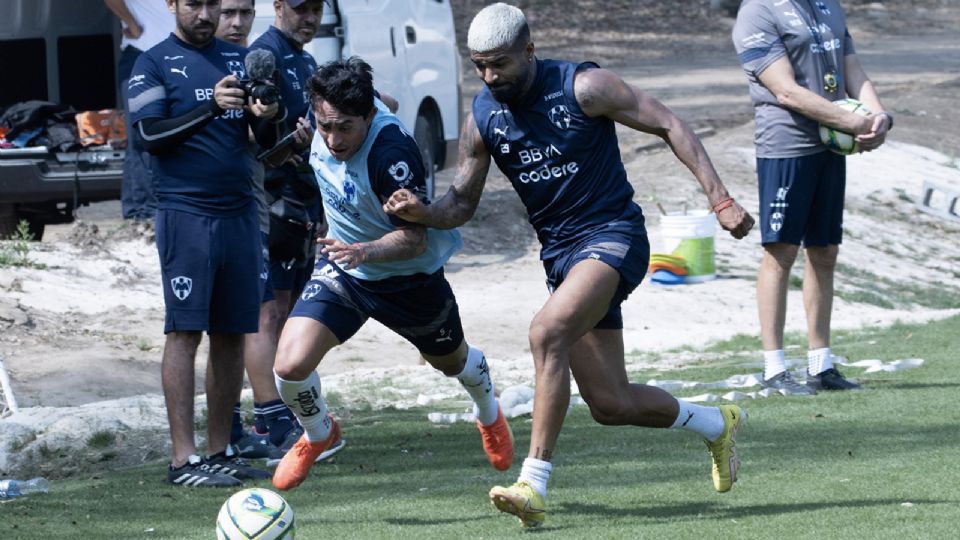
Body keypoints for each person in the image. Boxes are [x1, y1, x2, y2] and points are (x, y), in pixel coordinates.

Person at [384, 3, 755, 528]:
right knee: (611, 404)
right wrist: (422, 212)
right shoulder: (484, 116)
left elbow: (669, 122)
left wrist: (720, 200)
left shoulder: (584, 86)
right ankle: (717, 423)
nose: (490, 77)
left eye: (500, 64)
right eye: (480, 66)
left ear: (529, 51)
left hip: (613, 238)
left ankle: (532, 485)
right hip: (561, 257)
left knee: (545, 332)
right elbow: (462, 202)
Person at [269, 57, 515, 492]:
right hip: (345, 268)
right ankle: (319, 433)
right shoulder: (331, 114)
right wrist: (353, 254)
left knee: (453, 363)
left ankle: (489, 412)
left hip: (406, 277)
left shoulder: (392, 156)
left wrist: (363, 251)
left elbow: (415, 239)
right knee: (289, 366)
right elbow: (387, 99)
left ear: (367, 117)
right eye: (325, 125)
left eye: (345, 127)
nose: (332, 138)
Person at [128, 0, 285, 487]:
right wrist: (209, 106)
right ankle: (183, 460)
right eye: (192, 3)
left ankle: (219, 450)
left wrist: (267, 115)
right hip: (186, 215)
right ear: (171, 4)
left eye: (211, 5)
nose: (205, 14)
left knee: (232, 333)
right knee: (184, 333)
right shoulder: (151, 62)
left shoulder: (239, 60)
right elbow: (149, 134)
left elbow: (258, 139)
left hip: (239, 212)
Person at [732, 0, 891, 394]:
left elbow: (851, 67)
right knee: (781, 252)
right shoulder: (757, 11)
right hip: (786, 147)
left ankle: (821, 365)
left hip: (830, 147)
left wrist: (878, 116)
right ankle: (775, 368)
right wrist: (854, 123)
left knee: (824, 251)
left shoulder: (828, 5)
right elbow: (785, 91)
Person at [214, 0, 297, 465]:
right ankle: (264, 416)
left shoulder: (252, 62)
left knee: (258, 307)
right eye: (227, 12)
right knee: (225, 316)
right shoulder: (181, 62)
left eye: (245, 12)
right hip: (201, 209)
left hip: (251, 201)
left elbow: (265, 145)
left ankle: (246, 421)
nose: (236, 22)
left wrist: (269, 118)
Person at [250, 0, 326, 340]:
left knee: (298, 305)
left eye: (316, 10)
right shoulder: (264, 54)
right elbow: (256, 137)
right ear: (278, 6)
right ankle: (271, 391)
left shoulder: (306, 58)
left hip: (306, 197)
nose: (310, 18)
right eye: (301, 9)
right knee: (274, 309)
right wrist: (289, 143)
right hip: (275, 200)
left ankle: (290, 388)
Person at [104, 0, 174, 221]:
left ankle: (140, 211)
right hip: (142, 55)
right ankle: (145, 212)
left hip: (175, 56)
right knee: (143, 135)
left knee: (162, 135)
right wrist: (132, 23)